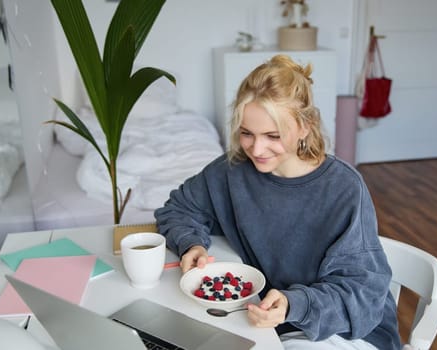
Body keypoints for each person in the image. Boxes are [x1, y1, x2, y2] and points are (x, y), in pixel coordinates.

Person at [155, 54, 400, 350]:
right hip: (269, 322)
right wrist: (191, 243)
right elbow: (179, 209)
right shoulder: (232, 170)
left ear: (306, 126)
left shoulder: (344, 188)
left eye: (273, 135)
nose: (257, 149)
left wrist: (293, 304)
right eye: (247, 133)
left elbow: (361, 295)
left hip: (342, 331)